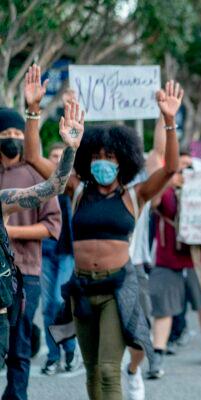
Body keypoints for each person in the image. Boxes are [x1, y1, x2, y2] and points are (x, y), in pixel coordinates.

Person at [24, 66, 182, 399]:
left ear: (123, 160)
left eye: (109, 157)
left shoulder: (134, 195)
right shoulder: (76, 189)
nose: (102, 162)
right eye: (96, 156)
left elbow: (170, 168)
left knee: (110, 370)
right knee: (93, 371)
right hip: (81, 287)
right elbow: (33, 157)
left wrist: (169, 121)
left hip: (118, 287)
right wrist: (34, 111)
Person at [0, 81, 83, 400]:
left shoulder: (6, 198)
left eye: (15, 133)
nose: (11, 140)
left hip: (20, 279)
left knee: (18, 347)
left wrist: (71, 150)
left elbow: (56, 186)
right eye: (5, 134)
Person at [147, 152, 201, 379]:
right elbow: (153, 203)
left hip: (200, 255)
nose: (184, 172)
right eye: (180, 167)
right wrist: (167, 179)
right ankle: (157, 354)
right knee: (164, 305)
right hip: (168, 255)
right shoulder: (166, 185)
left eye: (188, 167)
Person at [123, 116, 167, 399]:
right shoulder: (90, 184)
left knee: (139, 334)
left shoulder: (140, 189)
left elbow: (160, 156)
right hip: (97, 271)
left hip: (133, 267)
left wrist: (166, 118)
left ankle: (133, 370)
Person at [40, 142, 80, 376]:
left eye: (60, 156)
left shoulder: (74, 186)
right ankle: (54, 355)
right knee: (48, 307)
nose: (56, 160)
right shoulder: (42, 186)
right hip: (45, 251)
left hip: (68, 253)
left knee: (60, 301)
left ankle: (70, 349)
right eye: (52, 156)